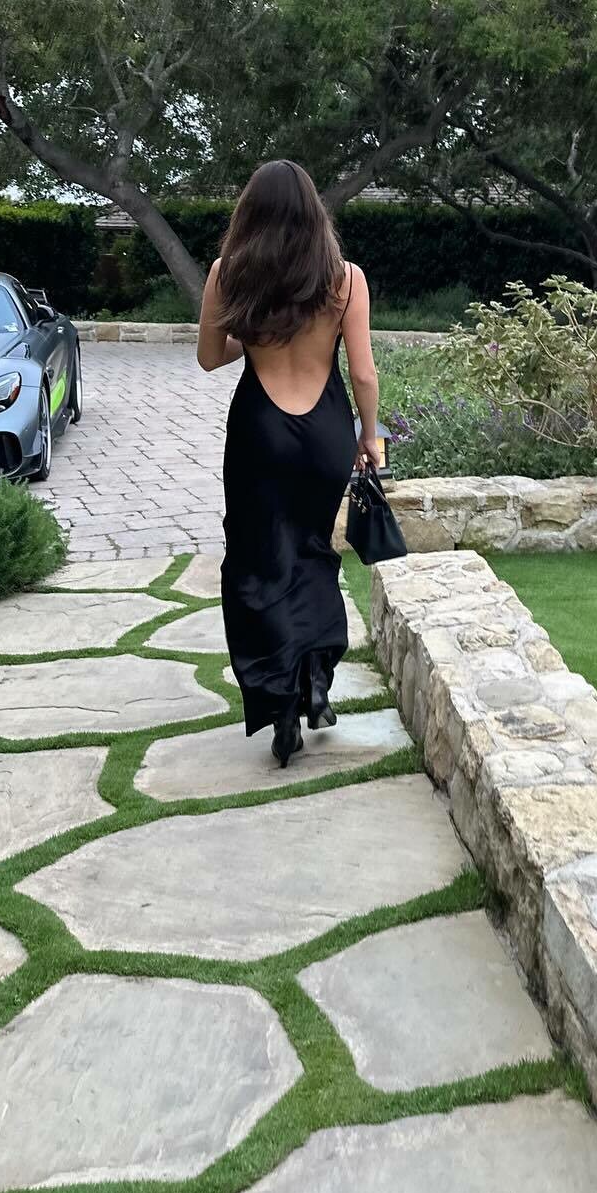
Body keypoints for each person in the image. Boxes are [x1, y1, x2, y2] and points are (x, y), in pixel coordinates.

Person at [197, 161, 382, 766]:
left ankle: (279, 704)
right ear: (314, 213)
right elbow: (362, 373)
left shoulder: (228, 274)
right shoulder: (345, 280)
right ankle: (316, 680)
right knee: (313, 553)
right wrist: (369, 436)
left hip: (260, 433)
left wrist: (253, 335)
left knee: (258, 561)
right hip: (325, 434)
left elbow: (209, 357)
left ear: (249, 213)